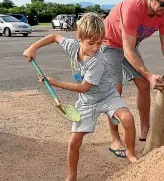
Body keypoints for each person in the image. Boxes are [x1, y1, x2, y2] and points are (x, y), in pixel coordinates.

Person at [23, 12, 138, 181]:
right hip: (87, 102)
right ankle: (72, 176)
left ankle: (130, 153)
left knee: (127, 118)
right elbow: (54, 36)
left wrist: (54, 82)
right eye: (91, 43)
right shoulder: (71, 46)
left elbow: (84, 87)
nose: (96, 48)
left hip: (107, 96)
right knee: (73, 143)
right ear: (79, 38)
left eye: (99, 43)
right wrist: (33, 48)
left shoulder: (98, 60)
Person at [101, 0, 164, 157]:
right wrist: (149, 74)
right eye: (162, 3)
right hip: (109, 44)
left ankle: (145, 130)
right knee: (114, 91)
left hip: (129, 47)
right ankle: (115, 138)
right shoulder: (132, 9)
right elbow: (127, 50)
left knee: (143, 85)